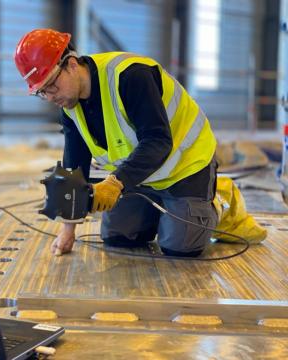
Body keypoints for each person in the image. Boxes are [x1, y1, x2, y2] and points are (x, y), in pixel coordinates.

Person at [14, 28, 218, 257]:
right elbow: (75, 165)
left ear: (71, 64)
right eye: (42, 92)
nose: (50, 97)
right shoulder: (69, 104)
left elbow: (158, 141)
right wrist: (68, 227)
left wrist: (115, 183)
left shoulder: (131, 76)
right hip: (141, 176)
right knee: (118, 237)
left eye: (51, 84)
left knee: (179, 249)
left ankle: (214, 204)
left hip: (185, 167)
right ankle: (160, 211)